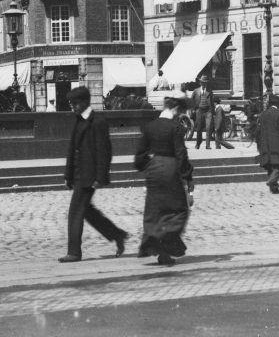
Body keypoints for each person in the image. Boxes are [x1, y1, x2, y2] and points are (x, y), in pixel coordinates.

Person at [59, 86, 128, 263]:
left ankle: (74, 252)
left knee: (75, 212)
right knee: (87, 211)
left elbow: (104, 151)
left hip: (89, 176)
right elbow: (72, 149)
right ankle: (117, 234)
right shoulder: (79, 119)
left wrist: (100, 177)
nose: (72, 107)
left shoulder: (97, 121)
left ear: (83, 102)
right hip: (78, 174)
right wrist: (68, 175)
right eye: (71, 104)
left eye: (74, 104)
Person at [134, 90, 195, 266]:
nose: (181, 113)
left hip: (153, 170)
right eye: (181, 110)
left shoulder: (150, 126)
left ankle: (162, 254)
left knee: (155, 211)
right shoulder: (176, 128)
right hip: (170, 168)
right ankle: (166, 237)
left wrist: (150, 165)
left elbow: (139, 158)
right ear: (176, 107)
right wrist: (188, 177)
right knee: (179, 209)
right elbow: (181, 155)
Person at [255, 94, 279, 194]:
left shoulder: (263, 114)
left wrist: (259, 143)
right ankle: (271, 181)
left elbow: (258, 131)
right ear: (278, 105)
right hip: (277, 144)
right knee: (278, 165)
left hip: (265, 144)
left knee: (270, 165)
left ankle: (274, 189)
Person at [190, 77, 216, 150]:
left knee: (208, 128)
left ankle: (207, 145)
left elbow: (212, 102)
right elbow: (191, 101)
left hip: (208, 111)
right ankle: (198, 143)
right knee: (199, 128)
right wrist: (193, 110)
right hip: (199, 111)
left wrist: (213, 112)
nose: (204, 84)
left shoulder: (209, 91)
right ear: (200, 83)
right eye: (202, 82)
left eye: (205, 83)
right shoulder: (196, 91)